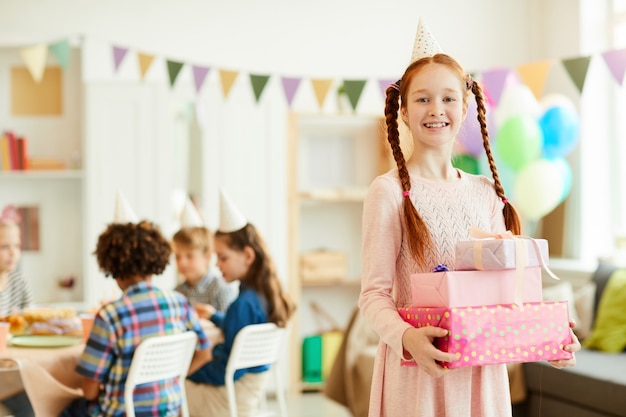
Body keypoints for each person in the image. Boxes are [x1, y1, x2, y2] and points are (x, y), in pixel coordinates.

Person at [358, 19, 581, 417]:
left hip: (482, 378)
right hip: (419, 374)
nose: (436, 110)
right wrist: (408, 337)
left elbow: (506, 289)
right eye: (422, 99)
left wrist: (551, 336)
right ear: (404, 112)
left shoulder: (485, 192)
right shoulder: (388, 191)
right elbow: (374, 294)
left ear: (465, 107)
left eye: (447, 98)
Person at [60, 192, 212, 417]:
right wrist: (174, 377)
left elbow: (90, 390)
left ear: (110, 266)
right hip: (167, 411)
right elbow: (205, 354)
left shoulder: (111, 315)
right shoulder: (180, 304)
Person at [185, 190, 296, 417]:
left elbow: (224, 371)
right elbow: (241, 329)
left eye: (223, 257)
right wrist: (215, 316)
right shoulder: (263, 296)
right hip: (249, 395)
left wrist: (187, 369)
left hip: (229, 399)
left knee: (175, 390)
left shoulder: (242, 304)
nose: (217, 265)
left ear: (247, 256)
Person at [172, 196, 237, 316]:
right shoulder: (176, 293)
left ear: (207, 257)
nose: (182, 262)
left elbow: (229, 327)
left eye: (189, 256)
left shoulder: (220, 289)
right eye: (177, 257)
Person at [0, 205, 34, 317]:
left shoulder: (21, 283)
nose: (13, 253)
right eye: (4, 247)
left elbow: (30, 320)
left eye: (16, 245)